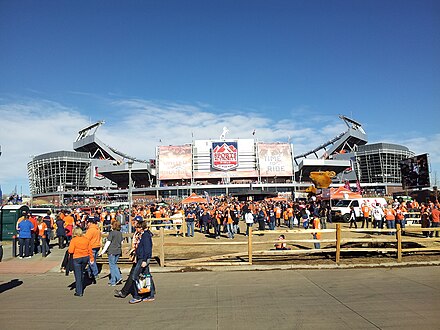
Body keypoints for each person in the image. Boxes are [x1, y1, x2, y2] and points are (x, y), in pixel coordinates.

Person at [68, 227, 94, 297]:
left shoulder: (74, 240)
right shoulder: (86, 239)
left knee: (77, 275)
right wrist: (91, 258)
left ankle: (79, 291)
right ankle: (80, 284)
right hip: (85, 257)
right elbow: (90, 250)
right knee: (82, 272)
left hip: (77, 257)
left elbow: (71, 251)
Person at [99, 221, 124, 286]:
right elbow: (122, 242)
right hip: (118, 251)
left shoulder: (111, 233)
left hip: (112, 251)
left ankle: (115, 279)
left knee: (112, 266)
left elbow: (107, 243)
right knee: (114, 264)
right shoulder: (120, 233)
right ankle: (115, 279)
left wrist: (102, 252)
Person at [84, 218, 101, 282]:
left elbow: (86, 239)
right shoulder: (97, 229)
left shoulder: (90, 230)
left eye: (87, 223)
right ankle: (90, 274)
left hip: (91, 246)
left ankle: (95, 274)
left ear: (90, 223)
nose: (87, 224)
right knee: (93, 261)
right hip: (97, 246)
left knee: (91, 262)